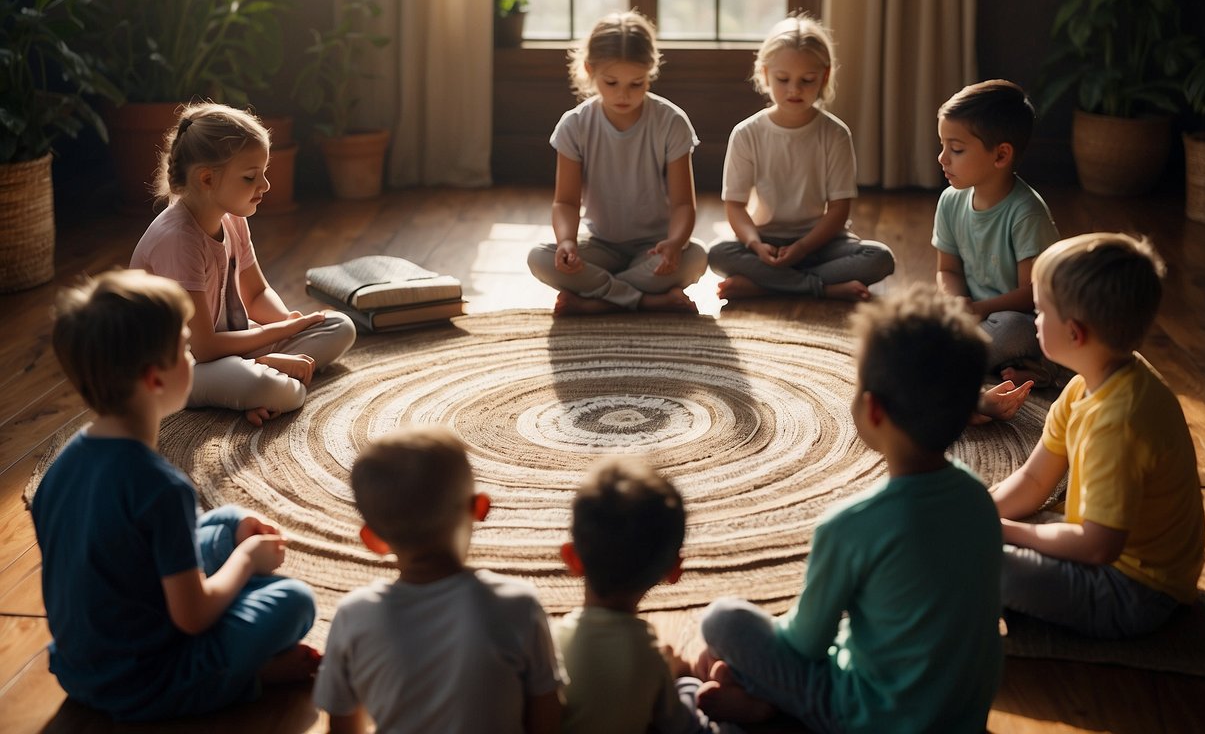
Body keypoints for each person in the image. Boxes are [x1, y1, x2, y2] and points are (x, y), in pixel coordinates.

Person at [695, 284, 1003, 733]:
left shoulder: (852, 525)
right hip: (962, 716)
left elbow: (805, 643)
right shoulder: (979, 500)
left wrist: (755, 651)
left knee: (724, 620)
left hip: (868, 719)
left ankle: (769, 706)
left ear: (873, 409)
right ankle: (760, 697)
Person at [30, 269, 318, 722]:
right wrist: (248, 563)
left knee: (225, 524)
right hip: (149, 681)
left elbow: (110, 554)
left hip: (77, 668)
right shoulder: (160, 487)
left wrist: (235, 540)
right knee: (294, 602)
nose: (193, 358)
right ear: (155, 379)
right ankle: (246, 677)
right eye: (184, 349)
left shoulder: (63, 466)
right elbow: (193, 617)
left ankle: (234, 575)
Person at [992, 233, 1205, 638]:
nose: (1033, 320)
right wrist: (981, 509)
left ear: (1075, 333)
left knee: (979, 560)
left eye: (1039, 312)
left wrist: (1002, 531)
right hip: (1103, 555)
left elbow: (1097, 547)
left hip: (1136, 589)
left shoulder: (1119, 420)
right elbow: (1035, 480)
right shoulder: (1087, 384)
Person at [313, 425, 563, 734]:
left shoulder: (353, 616)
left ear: (373, 540)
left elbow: (342, 729)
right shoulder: (518, 605)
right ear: (479, 508)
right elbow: (548, 722)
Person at [130, 102, 356, 426]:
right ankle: (265, 379)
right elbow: (204, 347)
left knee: (339, 327)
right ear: (206, 179)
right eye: (251, 177)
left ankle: (264, 373)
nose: (264, 186)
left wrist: (290, 323)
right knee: (281, 391)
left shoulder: (232, 217)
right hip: (175, 368)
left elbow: (254, 293)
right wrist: (281, 331)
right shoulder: (178, 239)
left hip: (225, 345)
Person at [527, 11, 708, 315]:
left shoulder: (671, 122)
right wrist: (567, 242)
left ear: (650, 72)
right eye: (611, 82)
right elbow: (566, 202)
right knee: (539, 258)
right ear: (589, 70)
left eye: (636, 84)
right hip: (600, 245)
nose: (624, 94)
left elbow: (682, 205)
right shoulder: (575, 125)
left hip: (654, 247)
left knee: (697, 257)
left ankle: (597, 297)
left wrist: (675, 243)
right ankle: (646, 300)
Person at [707, 14, 895, 302]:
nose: (794, 90)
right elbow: (735, 205)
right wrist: (756, 245)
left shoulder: (835, 134)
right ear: (766, 74)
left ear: (825, 76)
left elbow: (838, 210)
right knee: (718, 254)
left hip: (822, 243)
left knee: (879, 258)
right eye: (783, 79)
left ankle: (764, 286)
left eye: (807, 80)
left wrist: (804, 248)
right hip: (765, 241)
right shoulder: (746, 133)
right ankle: (823, 288)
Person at [556, 456, 741, 734]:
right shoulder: (647, 657)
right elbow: (682, 727)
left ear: (571, 557)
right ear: (674, 570)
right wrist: (682, 678)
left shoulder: (550, 644)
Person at [933, 79, 1061, 386]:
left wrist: (977, 309)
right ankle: (985, 363)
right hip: (975, 316)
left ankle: (1038, 367)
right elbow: (947, 269)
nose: (942, 158)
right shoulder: (950, 201)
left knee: (1012, 327)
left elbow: (1033, 296)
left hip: (1020, 320)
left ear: (1001, 156)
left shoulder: (1025, 213)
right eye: (942, 145)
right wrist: (956, 303)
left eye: (956, 149)